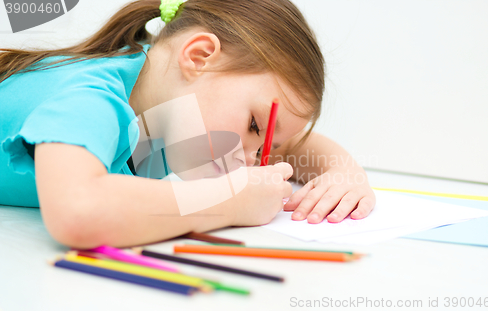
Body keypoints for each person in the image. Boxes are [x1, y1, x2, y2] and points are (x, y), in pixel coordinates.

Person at [0, 0, 375, 248]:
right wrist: (228, 204)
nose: (250, 159)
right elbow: (78, 213)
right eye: (255, 127)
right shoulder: (89, 99)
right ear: (199, 56)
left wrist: (344, 172)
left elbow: (292, 145)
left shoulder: (160, 109)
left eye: (262, 149)